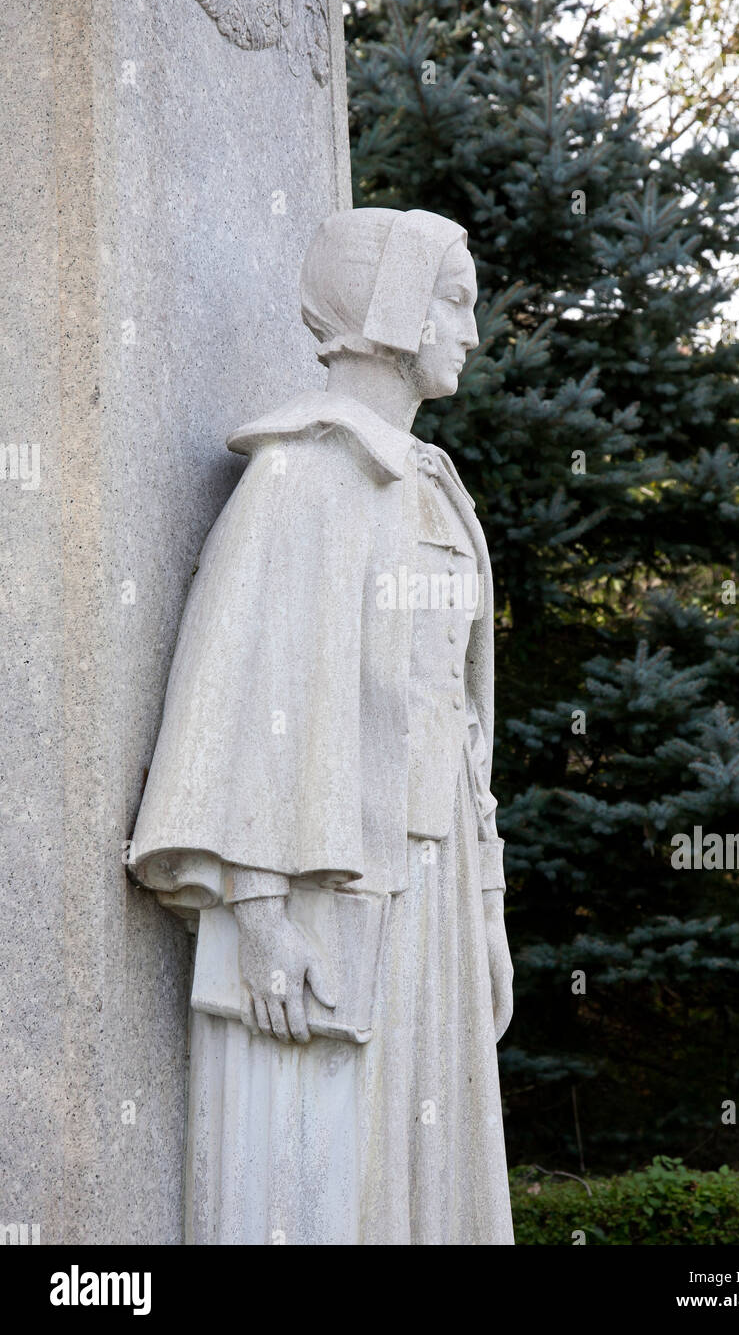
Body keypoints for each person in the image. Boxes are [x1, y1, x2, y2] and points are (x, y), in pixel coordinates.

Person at [131, 207, 515, 1245]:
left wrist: (485, 904)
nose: (470, 335)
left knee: (423, 1182)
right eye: (454, 303)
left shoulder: (432, 490)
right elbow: (231, 700)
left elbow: (459, 719)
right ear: (393, 310)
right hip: (323, 900)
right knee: (316, 1172)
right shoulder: (300, 478)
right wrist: (256, 916)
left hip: (430, 887)